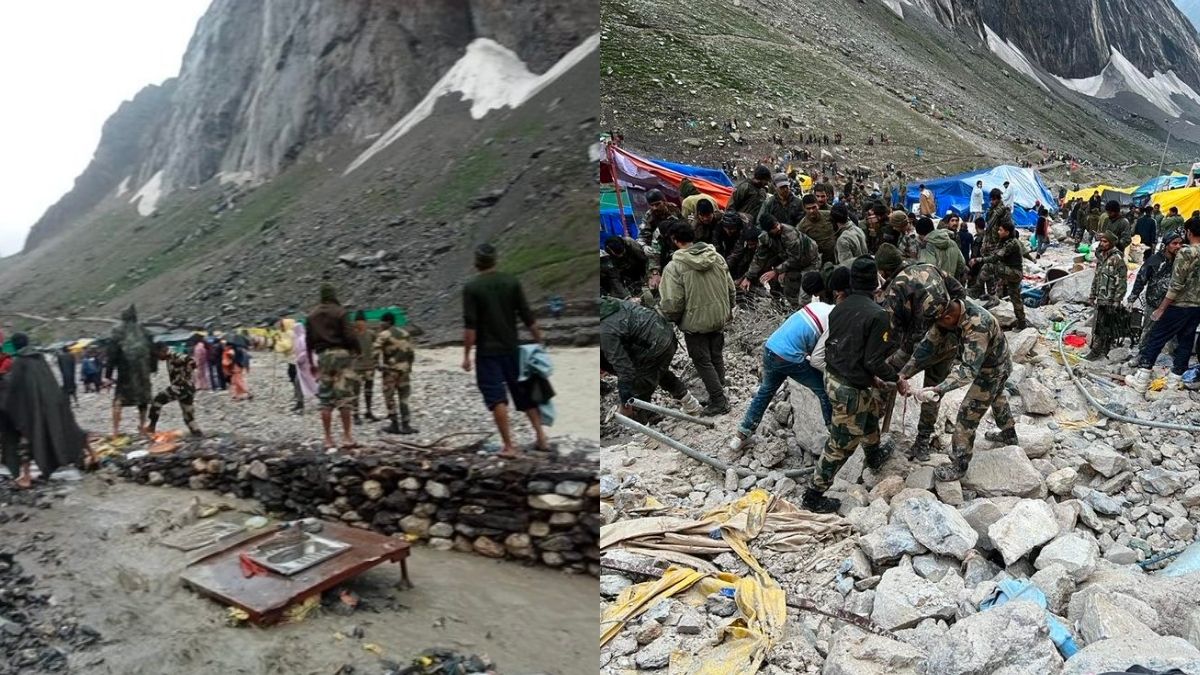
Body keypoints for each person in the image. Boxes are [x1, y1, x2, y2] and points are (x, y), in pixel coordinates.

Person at [803, 257, 898, 514]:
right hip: (850, 387)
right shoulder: (878, 315)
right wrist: (897, 379)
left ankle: (874, 453)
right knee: (841, 444)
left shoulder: (839, 308)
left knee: (868, 417)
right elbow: (874, 360)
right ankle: (813, 494)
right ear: (876, 283)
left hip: (834, 378)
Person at [898, 296, 1017, 481]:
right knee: (996, 397)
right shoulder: (948, 313)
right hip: (986, 361)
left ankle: (959, 465)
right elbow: (927, 347)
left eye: (937, 323)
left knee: (967, 414)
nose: (936, 328)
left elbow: (968, 370)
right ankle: (1010, 436)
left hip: (994, 368)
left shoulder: (978, 327)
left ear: (947, 318)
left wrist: (939, 388)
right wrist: (904, 374)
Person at [876, 244, 967, 459]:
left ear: (884, 271)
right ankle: (922, 442)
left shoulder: (896, 287)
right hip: (950, 341)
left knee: (887, 376)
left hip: (920, 346)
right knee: (933, 390)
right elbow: (959, 292)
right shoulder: (929, 267)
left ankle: (872, 428)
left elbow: (892, 329)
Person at [729, 272, 833, 452]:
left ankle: (741, 436)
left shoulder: (818, 307)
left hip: (771, 348)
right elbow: (817, 359)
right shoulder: (834, 320)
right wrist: (832, 373)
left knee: (765, 392)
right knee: (823, 389)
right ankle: (835, 437)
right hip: (789, 357)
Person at [462, 245, 550, 457]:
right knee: (525, 394)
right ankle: (541, 437)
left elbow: (470, 327)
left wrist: (466, 356)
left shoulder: (472, 287)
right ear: (495, 260)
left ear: (476, 262)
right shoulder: (511, 282)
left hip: (487, 352)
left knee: (496, 398)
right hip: (513, 349)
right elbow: (527, 316)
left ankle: (510, 446)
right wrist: (540, 341)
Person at [660, 223, 736, 416]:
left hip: (695, 323)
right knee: (716, 355)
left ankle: (719, 400)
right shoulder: (716, 257)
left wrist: (670, 318)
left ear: (675, 240)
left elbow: (673, 302)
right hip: (719, 316)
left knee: (702, 360)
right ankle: (719, 392)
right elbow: (731, 288)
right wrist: (728, 310)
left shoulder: (675, 267)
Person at [0, 333, 89, 488]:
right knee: (71, 430)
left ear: (14, 346)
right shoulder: (39, 358)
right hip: (52, 404)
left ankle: (26, 477)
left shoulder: (20, 362)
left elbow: (13, 388)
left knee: (24, 440)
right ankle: (93, 456)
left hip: (31, 410)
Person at [601, 296, 701, 421]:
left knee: (637, 390)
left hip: (654, 346)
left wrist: (625, 402)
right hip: (665, 334)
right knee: (658, 371)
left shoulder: (604, 331)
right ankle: (691, 405)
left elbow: (625, 370)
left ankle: (642, 429)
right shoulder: (606, 305)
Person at [1128, 219, 1200, 393]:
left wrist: (1161, 309)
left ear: (1188, 232)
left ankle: (1142, 380)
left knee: (1156, 338)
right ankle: (1173, 384)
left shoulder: (1186, 253)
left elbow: (1176, 285)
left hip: (1179, 306)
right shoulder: (1157, 259)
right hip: (1196, 307)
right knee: (1186, 342)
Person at [307, 283, 362, 450]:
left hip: (323, 356)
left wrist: (311, 362)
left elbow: (308, 341)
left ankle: (328, 439)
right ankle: (347, 437)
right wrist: (357, 351)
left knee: (325, 398)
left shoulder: (312, 315)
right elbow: (350, 335)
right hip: (342, 355)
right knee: (344, 397)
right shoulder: (341, 312)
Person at [738, 212, 821, 308]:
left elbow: (795, 259)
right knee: (790, 292)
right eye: (773, 228)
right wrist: (748, 277)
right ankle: (796, 311)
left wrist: (776, 271)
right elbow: (759, 259)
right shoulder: (765, 238)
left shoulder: (790, 234)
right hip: (791, 263)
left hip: (809, 261)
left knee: (804, 295)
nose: (777, 228)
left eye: (777, 224)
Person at [1128, 233, 1183, 354]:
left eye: (1180, 243)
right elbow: (1141, 279)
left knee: (1173, 335)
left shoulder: (1181, 262)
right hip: (1154, 304)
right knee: (1148, 331)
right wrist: (1132, 298)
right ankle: (1142, 355)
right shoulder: (1154, 260)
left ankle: (1169, 357)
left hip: (1174, 305)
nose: (1178, 246)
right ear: (1166, 245)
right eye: (1174, 243)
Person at [105, 305, 154, 437]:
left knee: (119, 399)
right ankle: (142, 427)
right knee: (143, 400)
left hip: (125, 370)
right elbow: (152, 350)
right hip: (143, 370)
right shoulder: (145, 330)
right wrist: (153, 367)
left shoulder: (117, 331)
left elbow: (112, 353)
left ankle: (115, 430)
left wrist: (108, 375)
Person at [971, 220, 1028, 329]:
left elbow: (995, 258)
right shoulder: (1009, 241)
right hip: (1014, 274)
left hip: (1013, 273)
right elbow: (1024, 253)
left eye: (1000, 230)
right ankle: (1021, 323)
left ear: (1007, 232)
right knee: (1015, 298)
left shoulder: (1010, 244)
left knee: (988, 266)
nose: (998, 232)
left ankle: (977, 289)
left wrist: (978, 260)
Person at [1086, 232, 1129, 360]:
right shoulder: (1101, 257)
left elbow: (1122, 281)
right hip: (1100, 297)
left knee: (1104, 325)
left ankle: (1099, 350)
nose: (1102, 244)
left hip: (1110, 299)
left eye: (1106, 242)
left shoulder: (1117, 259)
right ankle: (1098, 348)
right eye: (1102, 241)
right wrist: (1092, 295)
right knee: (1098, 324)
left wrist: (1117, 299)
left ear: (1111, 243)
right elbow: (1097, 278)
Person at [146, 342, 202, 436]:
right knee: (188, 416)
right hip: (188, 388)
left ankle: (152, 426)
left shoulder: (175, 355)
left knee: (158, 400)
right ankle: (197, 434)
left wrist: (186, 375)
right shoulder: (170, 358)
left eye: (158, 354)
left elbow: (191, 361)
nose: (158, 358)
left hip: (181, 387)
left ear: (162, 351)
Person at [374, 312, 417, 434]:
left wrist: (377, 364)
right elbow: (411, 352)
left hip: (390, 371)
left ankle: (394, 424)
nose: (380, 324)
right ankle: (406, 424)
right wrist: (409, 367)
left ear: (387, 322)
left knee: (389, 396)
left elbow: (375, 350)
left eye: (381, 322)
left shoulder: (384, 334)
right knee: (404, 398)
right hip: (404, 370)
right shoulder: (405, 333)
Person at [640, 190, 686, 292]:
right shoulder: (649, 216)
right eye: (652, 205)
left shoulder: (673, 209)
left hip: (676, 242)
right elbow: (642, 236)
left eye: (657, 204)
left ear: (664, 202)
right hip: (656, 245)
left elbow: (683, 225)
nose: (655, 208)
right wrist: (644, 246)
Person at [601, 235, 650, 300]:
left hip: (636, 265)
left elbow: (645, 260)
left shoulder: (631, 243)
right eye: (619, 255)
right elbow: (614, 278)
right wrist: (626, 297)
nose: (621, 255)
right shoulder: (607, 256)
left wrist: (649, 276)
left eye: (622, 253)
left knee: (640, 283)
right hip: (621, 270)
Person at [286, 318, 318, 413]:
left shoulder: (302, 338)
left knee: (310, 383)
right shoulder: (299, 338)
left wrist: (299, 359)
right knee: (299, 383)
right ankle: (300, 404)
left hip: (306, 365)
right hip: (303, 366)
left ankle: (323, 400)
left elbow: (305, 352)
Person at [351, 310, 378, 424]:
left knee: (369, 391)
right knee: (355, 392)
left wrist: (376, 361)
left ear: (365, 322)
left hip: (369, 367)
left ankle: (368, 411)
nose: (360, 324)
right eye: (358, 322)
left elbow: (377, 347)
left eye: (362, 322)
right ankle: (355, 414)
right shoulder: (352, 335)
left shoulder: (371, 334)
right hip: (356, 368)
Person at [797, 193, 837, 264]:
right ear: (804, 208)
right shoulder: (802, 226)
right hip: (820, 261)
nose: (811, 211)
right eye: (808, 208)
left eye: (813, 207)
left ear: (818, 205)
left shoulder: (829, 215)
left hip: (836, 255)